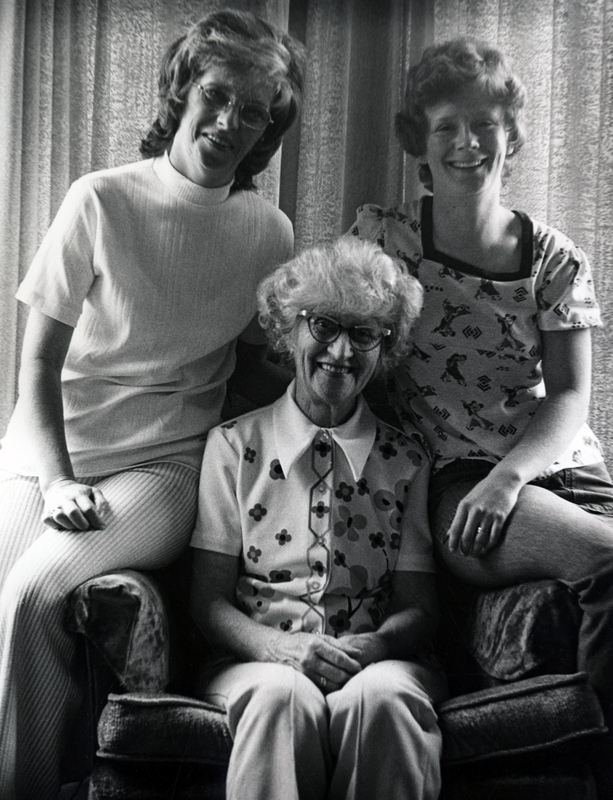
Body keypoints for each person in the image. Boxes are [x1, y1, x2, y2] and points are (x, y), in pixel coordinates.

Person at [0, 10, 305, 799]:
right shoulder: (98, 200)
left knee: (35, 593)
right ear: (181, 89)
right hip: (51, 450)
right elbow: (35, 367)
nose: (231, 122)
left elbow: (259, 373)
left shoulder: (270, 234)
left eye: (255, 110)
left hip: (165, 466)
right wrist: (58, 479)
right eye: (217, 95)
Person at [350, 36, 613, 724]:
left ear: (510, 135)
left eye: (485, 126)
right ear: (420, 140)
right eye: (447, 127)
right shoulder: (387, 242)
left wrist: (512, 479)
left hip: (555, 470)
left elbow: (567, 396)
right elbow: (338, 342)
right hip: (459, 482)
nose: (467, 144)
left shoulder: (555, 258)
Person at [189, 238, 447, 800]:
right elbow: (206, 600)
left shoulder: (407, 459)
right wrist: (275, 649)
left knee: (382, 700)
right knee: (282, 698)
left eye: (364, 334)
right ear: (290, 331)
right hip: (258, 660)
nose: (342, 352)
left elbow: (419, 606)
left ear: (387, 345)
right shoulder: (234, 446)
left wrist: (374, 648)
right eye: (324, 326)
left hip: (376, 660)